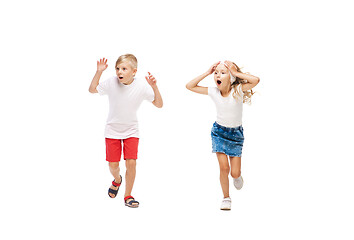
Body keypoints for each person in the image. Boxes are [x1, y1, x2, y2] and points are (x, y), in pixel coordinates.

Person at [89, 54, 163, 208]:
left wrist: (154, 86)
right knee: (113, 166)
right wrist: (99, 72)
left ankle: (128, 195)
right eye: (117, 69)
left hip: (131, 131)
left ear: (134, 71)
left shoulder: (141, 86)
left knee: (131, 163)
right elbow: (92, 90)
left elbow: (159, 104)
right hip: (112, 131)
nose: (119, 72)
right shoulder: (111, 82)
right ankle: (117, 180)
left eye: (124, 69)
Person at [186, 60, 259, 210]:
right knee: (223, 168)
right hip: (219, 133)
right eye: (216, 72)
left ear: (231, 77)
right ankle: (226, 197)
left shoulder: (237, 90)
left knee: (234, 173)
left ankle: (237, 176)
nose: (218, 75)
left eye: (223, 72)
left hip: (236, 135)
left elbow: (256, 80)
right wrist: (207, 72)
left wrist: (236, 73)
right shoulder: (213, 91)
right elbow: (189, 86)